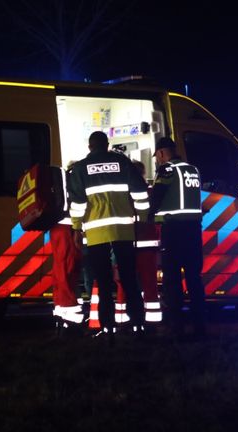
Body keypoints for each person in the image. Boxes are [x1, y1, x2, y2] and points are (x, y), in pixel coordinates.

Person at [68, 131, 149, 344]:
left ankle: (108, 329)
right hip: (123, 231)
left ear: (90, 147)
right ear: (106, 144)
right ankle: (138, 325)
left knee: (103, 283)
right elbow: (140, 193)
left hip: (97, 234)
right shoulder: (122, 162)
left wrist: (76, 228)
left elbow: (77, 204)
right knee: (129, 279)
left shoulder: (80, 169)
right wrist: (142, 219)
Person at [149, 137, 205, 339]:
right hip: (194, 230)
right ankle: (200, 327)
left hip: (173, 231)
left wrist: (148, 216)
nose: (158, 160)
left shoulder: (167, 170)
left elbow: (157, 197)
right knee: (194, 279)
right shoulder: (193, 170)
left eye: (157, 157)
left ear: (162, 153)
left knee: (172, 280)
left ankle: (177, 328)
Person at [50, 164, 84, 336]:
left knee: (62, 270)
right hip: (68, 228)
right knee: (67, 269)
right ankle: (71, 319)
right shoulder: (75, 181)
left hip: (59, 228)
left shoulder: (63, 181)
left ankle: (63, 315)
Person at [131, 160, 163, 325]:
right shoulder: (151, 193)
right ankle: (152, 321)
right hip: (149, 245)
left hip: (129, 244)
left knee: (128, 284)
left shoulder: (125, 194)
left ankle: (129, 321)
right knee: (150, 283)